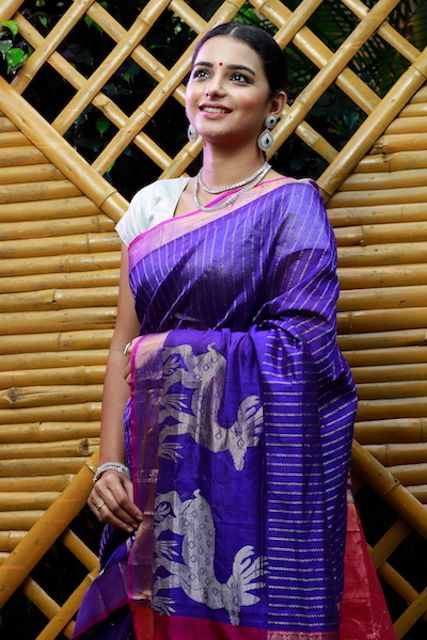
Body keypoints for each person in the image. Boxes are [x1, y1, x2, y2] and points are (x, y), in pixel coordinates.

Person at [73, 22, 395, 640]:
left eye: (238, 77)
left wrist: (169, 351)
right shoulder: (152, 207)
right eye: (203, 73)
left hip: (256, 474)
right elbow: (123, 346)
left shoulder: (293, 205)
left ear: (275, 105)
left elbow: (304, 348)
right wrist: (109, 464)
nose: (214, 88)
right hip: (152, 464)